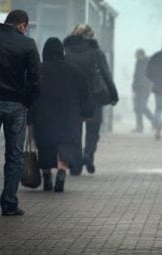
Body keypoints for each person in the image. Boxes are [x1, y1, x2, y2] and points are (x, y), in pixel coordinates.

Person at [31, 38, 93, 192]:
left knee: (45, 145)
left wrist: (28, 117)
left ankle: (46, 177)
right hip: (69, 116)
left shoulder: (38, 70)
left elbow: (30, 95)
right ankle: (61, 171)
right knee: (66, 145)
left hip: (43, 116)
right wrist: (86, 113)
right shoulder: (74, 70)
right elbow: (85, 94)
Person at [0, 10, 40, 216]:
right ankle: (9, 203)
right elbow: (35, 79)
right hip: (16, 104)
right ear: (22, 25)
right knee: (14, 156)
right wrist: (28, 102)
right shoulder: (27, 44)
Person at [64, 24, 119, 174]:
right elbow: (106, 74)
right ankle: (88, 154)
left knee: (74, 130)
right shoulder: (96, 52)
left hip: (73, 97)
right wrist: (113, 94)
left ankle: (75, 165)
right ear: (91, 35)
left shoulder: (67, 51)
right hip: (94, 96)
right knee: (93, 129)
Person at [131, 49, 154, 133]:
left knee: (142, 107)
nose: (135, 57)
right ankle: (139, 127)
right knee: (137, 108)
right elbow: (136, 76)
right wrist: (134, 87)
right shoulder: (138, 62)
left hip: (144, 89)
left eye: (136, 55)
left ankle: (155, 122)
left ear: (141, 55)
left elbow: (142, 76)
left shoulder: (147, 62)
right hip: (138, 89)